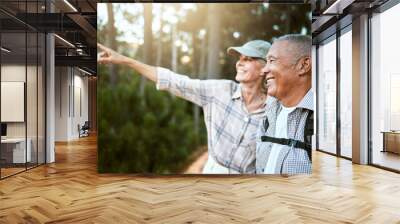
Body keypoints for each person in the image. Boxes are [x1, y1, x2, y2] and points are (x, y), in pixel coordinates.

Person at [98, 40, 271, 174]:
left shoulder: (274, 109)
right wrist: (126, 61)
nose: (239, 63)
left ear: (265, 68)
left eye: (247, 59)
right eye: (240, 59)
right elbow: (175, 81)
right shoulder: (220, 90)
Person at [256, 34, 313, 175]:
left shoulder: (322, 123)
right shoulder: (268, 115)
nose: (264, 70)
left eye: (272, 60)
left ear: (304, 65)